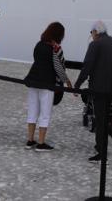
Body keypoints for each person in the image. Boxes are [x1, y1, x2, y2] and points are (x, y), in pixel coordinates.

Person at [75, 20, 112, 163]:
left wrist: (77, 85)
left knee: (101, 119)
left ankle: (102, 152)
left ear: (96, 32)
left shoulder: (95, 44)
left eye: (91, 33)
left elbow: (87, 67)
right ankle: (102, 143)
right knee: (106, 118)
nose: (91, 36)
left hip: (99, 90)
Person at [23, 21, 72, 151]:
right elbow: (59, 69)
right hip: (47, 84)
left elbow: (36, 59)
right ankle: (41, 142)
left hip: (33, 80)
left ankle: (30, 140)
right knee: (45, 113)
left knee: (32, 111)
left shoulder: (39, 45)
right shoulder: (56, 49)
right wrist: (67, 82)